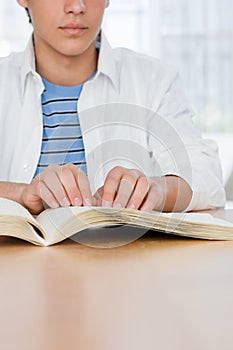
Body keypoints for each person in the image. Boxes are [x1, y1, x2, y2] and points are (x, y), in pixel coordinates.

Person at [0, 0, 225, 215]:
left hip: (130, 255)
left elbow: (206, 176)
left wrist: (157, 190)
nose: (77, 7)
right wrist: (20, 194)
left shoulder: (154, 80)